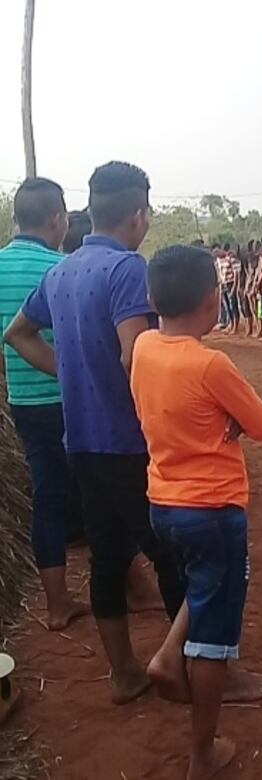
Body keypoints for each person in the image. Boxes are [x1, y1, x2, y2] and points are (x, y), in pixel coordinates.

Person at [5, 161, 185, 703]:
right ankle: (184, 671)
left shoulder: (61, 271)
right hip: (129, 441)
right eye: (148, 213)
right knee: (173, 556)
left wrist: (71, 371)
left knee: (107, 557)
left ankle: (123, 673)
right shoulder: (128, 269)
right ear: (136, 215)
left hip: (80, 440)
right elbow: (135, 356)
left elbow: (18, 333)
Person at [130, 245, 262, 780]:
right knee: (213, 641)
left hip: (163, 502)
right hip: (212, 508)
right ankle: (201, 755)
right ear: (214, 299)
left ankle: (168, 655)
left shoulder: (144, 345)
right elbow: (260, 425)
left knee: (201, 582)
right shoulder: (211, 362)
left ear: (151, 298)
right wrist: (229, 422)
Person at [0, 177, 89, 630]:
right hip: (67, 398)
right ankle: (129, 588)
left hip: (22, 403)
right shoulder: (61, 269)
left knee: (48, 495)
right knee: (97, 490)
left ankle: (57, 602)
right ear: (58, 220)